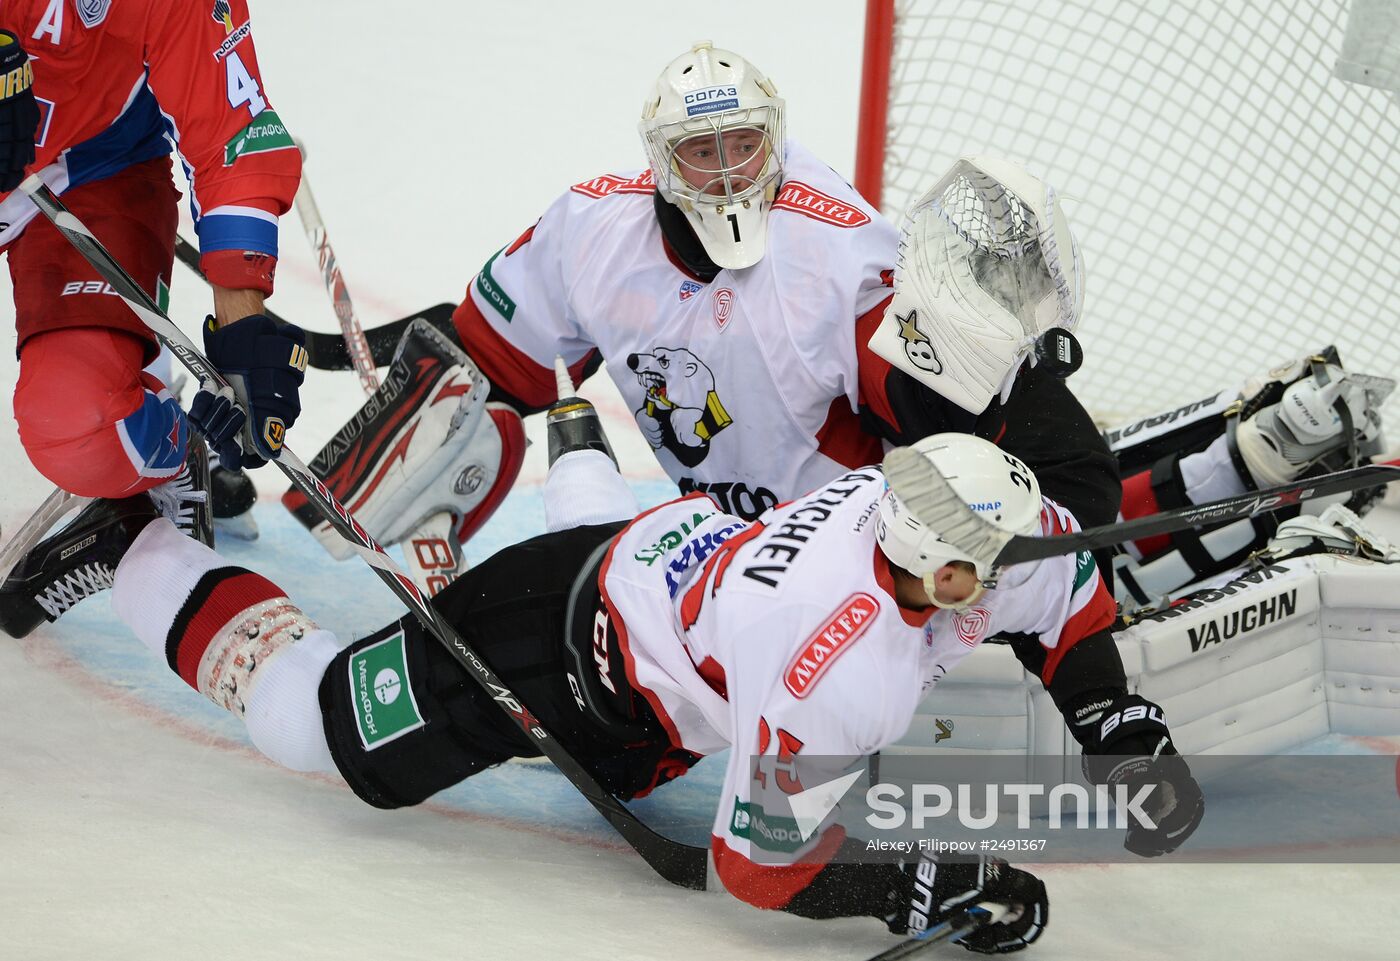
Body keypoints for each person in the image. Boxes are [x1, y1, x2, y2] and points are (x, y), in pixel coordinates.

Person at [17, 428, 1204, 951]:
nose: (993, 587)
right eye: (969, 575)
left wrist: (1116, 722)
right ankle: (128, 543)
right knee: (316, 724)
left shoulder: (973, 517)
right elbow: (753, 869)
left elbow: (1066, 598)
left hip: (649, 569)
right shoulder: (834, 663)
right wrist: (920, 883)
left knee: (656, 606)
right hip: (553, 652)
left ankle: (576, 458)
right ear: (909, 553)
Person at [285, 41, 1120, 568]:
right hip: (718, 547)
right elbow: (487, 364)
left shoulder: (840, 256)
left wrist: (1051, 531)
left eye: (743, 145)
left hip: (853, 546)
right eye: (700, 151)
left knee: (1013, 466)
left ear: (777, 138)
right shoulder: (589, 230)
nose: (724, 173)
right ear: (658, 160)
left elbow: (960, 411)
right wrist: (403, 457)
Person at [0, 1, 308, 568]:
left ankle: (171, 443)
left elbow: (227, 136)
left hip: (87, 173)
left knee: (77, 421)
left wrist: (242, 326)